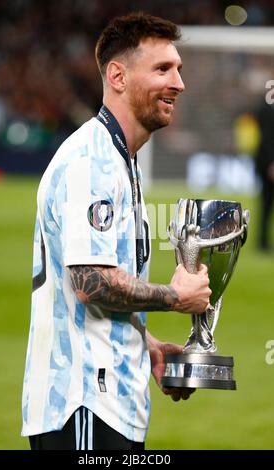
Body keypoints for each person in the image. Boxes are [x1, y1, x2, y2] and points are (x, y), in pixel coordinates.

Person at [22, 11, 211, 451]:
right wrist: (176, 296)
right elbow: (90, 281)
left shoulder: (119, 159)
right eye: (163, 69)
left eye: (178, 70)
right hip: (84, 406)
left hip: (108, 404)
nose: (179, 83)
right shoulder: (92, 161)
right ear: (118, 76)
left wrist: (146, 343)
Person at [255, 99, 274, 251]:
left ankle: (263, 241)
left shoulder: (265, 106)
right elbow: (267, 140)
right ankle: (263, 242)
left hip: (265, 163)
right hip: (268, 165)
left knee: (266, 204)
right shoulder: (268, 109)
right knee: (267, 204)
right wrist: (271, 164)